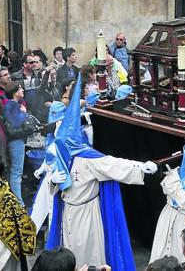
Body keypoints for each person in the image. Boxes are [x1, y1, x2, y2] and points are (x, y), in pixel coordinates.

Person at [42, 78, 158, 271]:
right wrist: (53, 182)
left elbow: (114, 164)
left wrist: (141, 167)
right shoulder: (61, 158)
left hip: (87, 213)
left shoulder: (88, 159)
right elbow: (53, 182)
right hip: (67, 212)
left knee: (88, 254)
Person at [3, 82, 29, 204]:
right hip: (16, 141)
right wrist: (23, 113)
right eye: (20, 89)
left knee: (16, 172)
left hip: (17, 140)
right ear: (14, 93)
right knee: (16, 172)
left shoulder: (14, 104)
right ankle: (19, 203)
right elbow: (15, 123)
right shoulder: (11, 105)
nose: (22, 90)